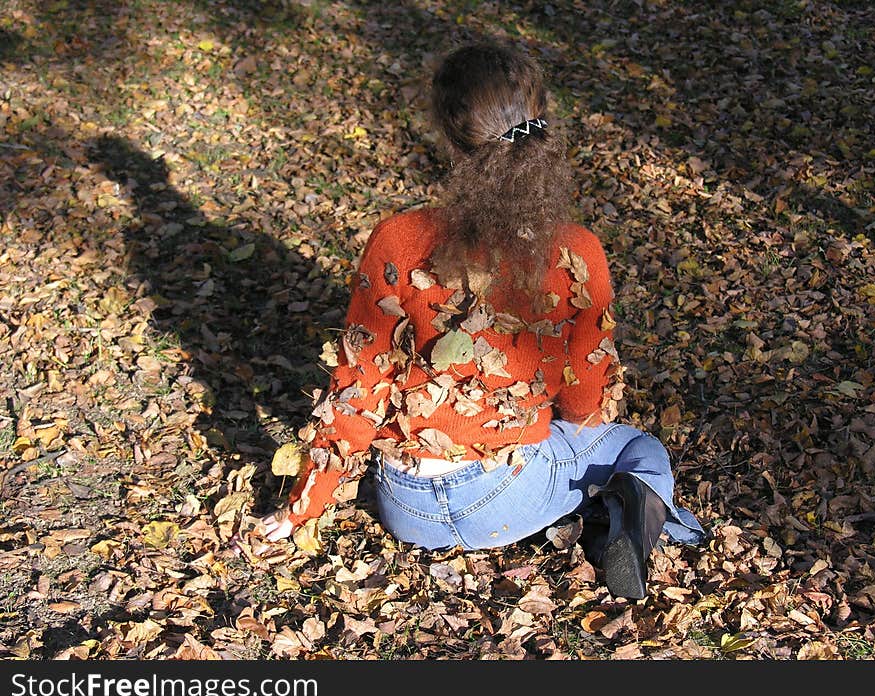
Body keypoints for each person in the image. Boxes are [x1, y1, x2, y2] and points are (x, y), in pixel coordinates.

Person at [259, 41, 705, 599]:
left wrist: (304, 507)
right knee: (640, 449)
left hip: (403, 503)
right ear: (543, 126)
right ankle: (617, 522)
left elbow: (359, 383)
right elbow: (587, 404)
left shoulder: (397, 238)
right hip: (505, 495)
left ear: (450, 136)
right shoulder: (576, 250)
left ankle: (593, 516)